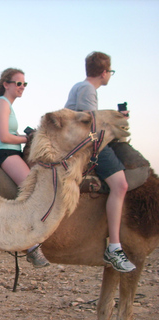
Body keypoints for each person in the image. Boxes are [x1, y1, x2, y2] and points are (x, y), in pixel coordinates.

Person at [64, 51, 135, 272]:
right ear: (104, 72)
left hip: (80, 142)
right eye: (110, 72)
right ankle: (114, 246)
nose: (109, 76)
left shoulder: (81, 87)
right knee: (121, 185)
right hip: (87, 146)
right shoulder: (86, 89)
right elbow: (89, 126)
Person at [0, 68, 50, 268]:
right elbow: (4, 136)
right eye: (18, 83)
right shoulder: (2, 104)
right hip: (6, 152)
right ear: (6, 84)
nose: (22, 87)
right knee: (32, 189)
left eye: (24, 84)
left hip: (13, 151)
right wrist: (28, 138)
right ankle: (29, 244)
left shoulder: (7, 105)